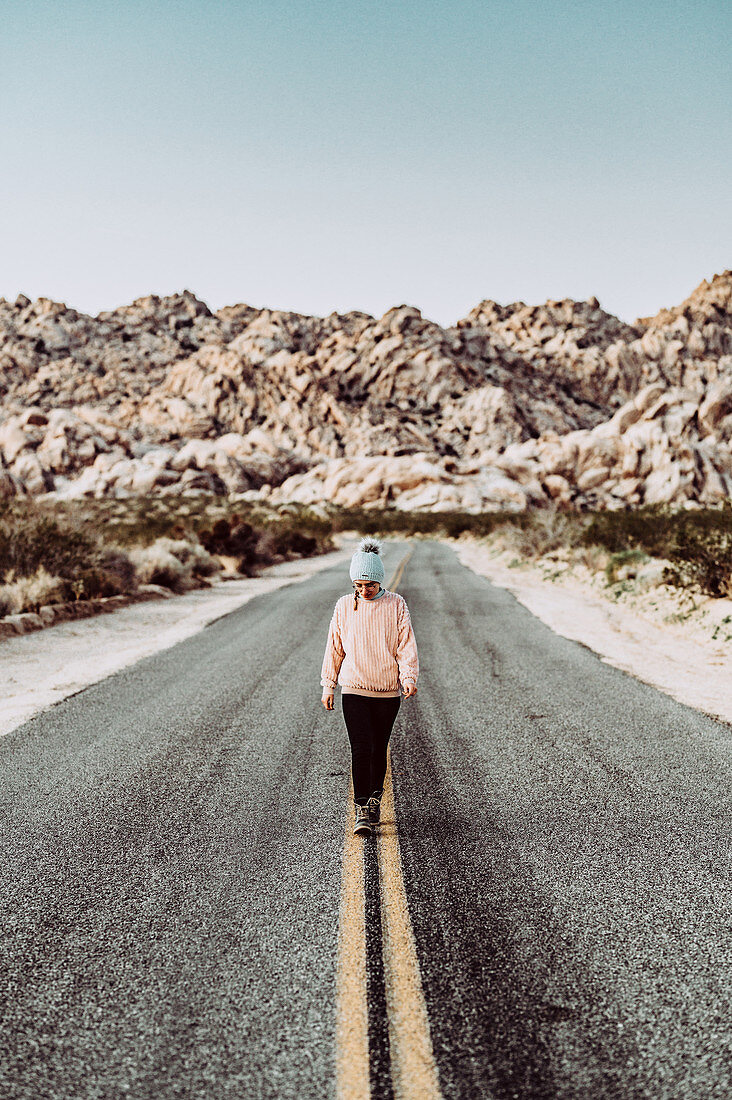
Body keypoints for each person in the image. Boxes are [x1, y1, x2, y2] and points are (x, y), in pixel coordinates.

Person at [321, 538, 419, 837]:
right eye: (359, 585)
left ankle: (375, 799)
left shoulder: (396, 604)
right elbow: (334, 648)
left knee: (379, 749)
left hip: (387, 692)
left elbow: (405, 644)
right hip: (354, 689)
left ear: (379, 581)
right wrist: (328, 685)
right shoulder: (343, 606)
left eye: (370, 585)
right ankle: (362, 808)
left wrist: (409, 677)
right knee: (360, 749)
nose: (364, 590)